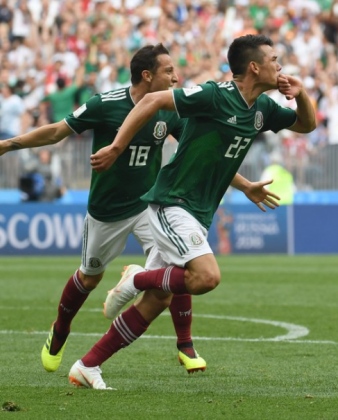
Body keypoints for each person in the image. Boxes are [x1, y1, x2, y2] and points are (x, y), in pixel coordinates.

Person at [0, 44, 273, 377]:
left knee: (181, 263)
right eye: (169, 71)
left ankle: (185, 344)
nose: (176, 76)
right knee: (90, 277)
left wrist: (245, 186)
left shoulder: (170, 110)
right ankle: (61, 329)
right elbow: (57, 131)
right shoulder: (106, 104)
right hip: (106, 210)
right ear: (147, 75)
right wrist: (8, 144)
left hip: (149, 204)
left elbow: (202, 152)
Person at [74, 34, 317, 389]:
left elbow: (306, 125)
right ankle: (136, 278)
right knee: (206, 277)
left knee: (158, 300)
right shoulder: (214, 95)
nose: (280, 66)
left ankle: (88, 364)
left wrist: (303, 94)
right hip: (172, 202)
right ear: (254, 66)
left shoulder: (262, 108)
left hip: (198, 211)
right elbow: (154, 101)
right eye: (274, 59)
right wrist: (117, 146)